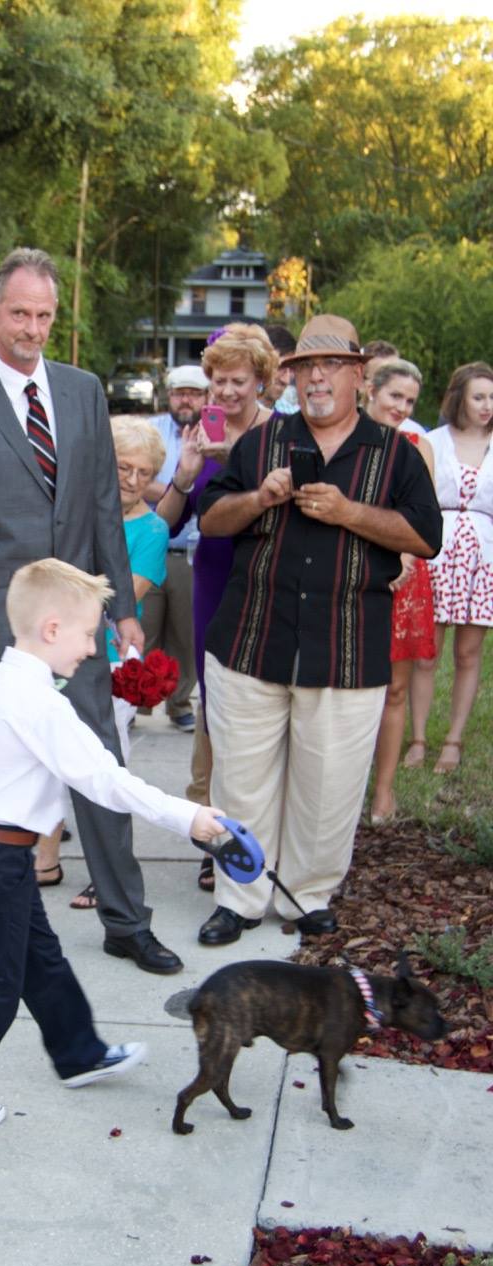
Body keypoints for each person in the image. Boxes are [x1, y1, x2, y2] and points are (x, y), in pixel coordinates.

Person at [0, 246, 183, 976]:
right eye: (19, 314)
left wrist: (121, 607)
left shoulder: (82, 390)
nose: (31, 329)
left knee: (99, 766)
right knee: (2, 783)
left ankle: (127, 921)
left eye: (43, 315)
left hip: (78, 625)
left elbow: (102, 506)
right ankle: (6, 925)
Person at [0, 559, 225, 1134]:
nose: (91, 648)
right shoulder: (41, 704)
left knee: (41, 957)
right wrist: (189, 818)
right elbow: (106, 781)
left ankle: (79, 1053)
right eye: (87, 635)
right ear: (52, 629)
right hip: (0, 855)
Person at [194, 314, 442, 946]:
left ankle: (306, 897)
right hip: (250, 640)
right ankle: (240, 898)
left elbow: (425, 536)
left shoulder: (395, 453)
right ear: (293, 377)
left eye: (332, 365)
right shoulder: (262, 443)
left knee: (328, 789)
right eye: (307, 367)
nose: (318, 378)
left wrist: (349, 512)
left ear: (359, 377)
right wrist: (259, 498)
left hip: (345, 648)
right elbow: (212, 519)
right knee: (241, 781)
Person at [156, 323, 275, 893]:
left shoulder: (279, 434)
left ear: (261, 382)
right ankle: (216, 836)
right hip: (213, 576)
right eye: (218, 381)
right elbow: (166, 522)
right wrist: (184, 476)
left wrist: (241, 457)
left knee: (259, 705)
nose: (226, 392)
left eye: (238, 381)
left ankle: (262, 826)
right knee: (214, 705)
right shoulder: (199, 434)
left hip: (268, 580)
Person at [69, 416, 169, 911]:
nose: (131, 479)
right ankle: (46, 857)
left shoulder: (153, 529)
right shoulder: (78, 511)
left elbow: (122, 595)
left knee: (106, 765)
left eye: (143, 472)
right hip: (61, 652)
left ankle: (107, 871)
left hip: (111, 662)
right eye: (123, 467)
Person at [405, 362, 493, 774]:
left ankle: (453, 741)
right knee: (427, 653)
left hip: (483, 558)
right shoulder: (433, 441)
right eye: (479, 397)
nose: (487, 405)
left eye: (492, 398)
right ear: (460, 398)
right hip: (438, 554)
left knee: (468, 652)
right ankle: (419, 739)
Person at [363, 361, 437, 821]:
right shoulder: (346, 439)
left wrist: (404, 559)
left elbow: (425, 517)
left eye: (410, 401)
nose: (403, 408)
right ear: (371, 390)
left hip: (405, 575)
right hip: (352, 571)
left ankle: (383, 792)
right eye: (395, 396)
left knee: (395, 688)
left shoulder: (417, 445)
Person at [141, 364, 208, 733]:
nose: (186, 400)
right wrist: (182, 487)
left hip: (190, 551)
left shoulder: (215, 435)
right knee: (144, 628)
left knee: (185, 634)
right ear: (169, 396)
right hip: (151, 546)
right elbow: (134, 479)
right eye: (180, 393)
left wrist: (170, 488)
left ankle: (180, 702)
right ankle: (137, 699)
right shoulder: (150, 431)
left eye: (194, 394)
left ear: (206, 397)